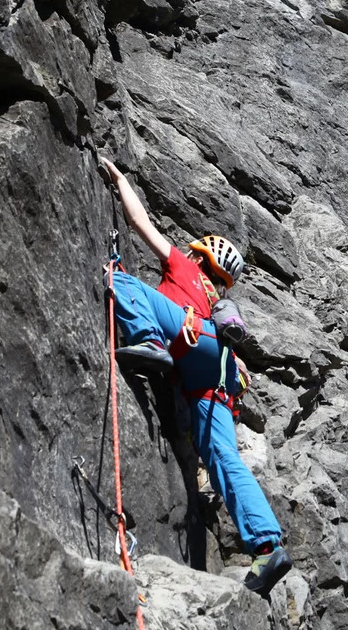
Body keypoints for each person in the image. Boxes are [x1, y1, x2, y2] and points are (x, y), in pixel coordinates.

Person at [99, 157, 292, 598]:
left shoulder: (185, 268)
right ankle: (267, 546)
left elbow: (140, 223)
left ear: (198, 257)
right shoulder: (215, 297)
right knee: (225, 457)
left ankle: (148, 341)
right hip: (217, 375)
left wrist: (122, 180)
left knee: (120, 279)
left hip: (190, 337)